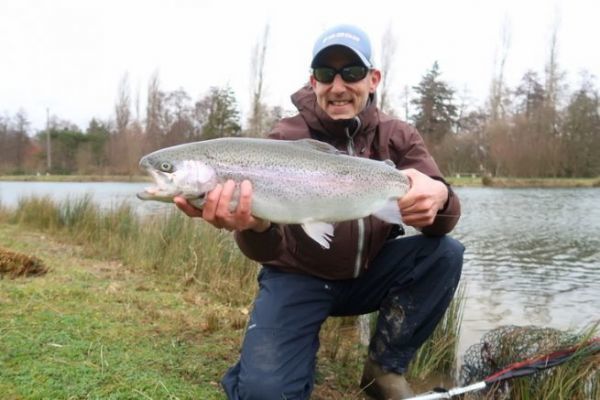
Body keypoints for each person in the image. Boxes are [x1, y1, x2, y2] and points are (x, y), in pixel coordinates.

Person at [175, 24, 464, 400]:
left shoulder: (399, 137)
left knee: (445, 253)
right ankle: (276, 360)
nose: (338, 85)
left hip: (369, 274)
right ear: (313, 82)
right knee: (265, 394)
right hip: (298, 278)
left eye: (352, 72)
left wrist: (440, 196)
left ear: (373, 79)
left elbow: (446, 221)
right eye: (326, 74)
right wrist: (255, 226)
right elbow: (266, 250)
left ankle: (384, 369)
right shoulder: (282, 140)